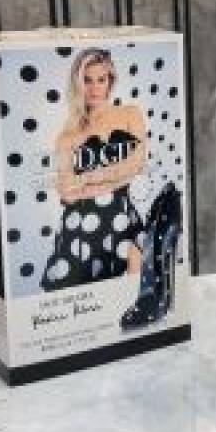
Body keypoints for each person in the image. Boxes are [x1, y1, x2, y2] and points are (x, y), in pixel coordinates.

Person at [41, 48, 147, 290]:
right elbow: (65, 191)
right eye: (87, 80)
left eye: (101, 79)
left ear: (110, 82)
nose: (94, 88)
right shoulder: (67, 135)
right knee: (74, 297)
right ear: (78, 85)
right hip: (77, 226)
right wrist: (114, 176)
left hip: (120, 219)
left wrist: (87, 180)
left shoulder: (129, 114)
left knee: (129, 292)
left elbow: (136, 164)